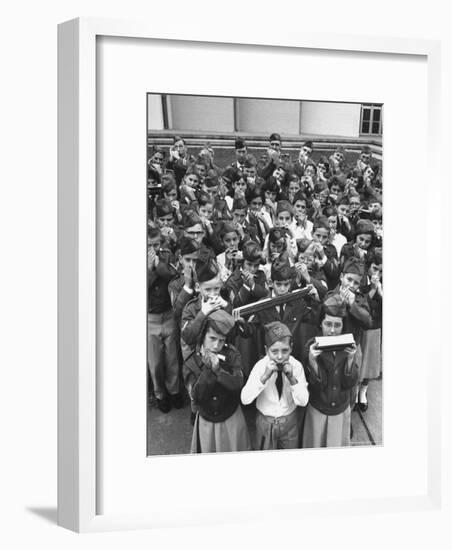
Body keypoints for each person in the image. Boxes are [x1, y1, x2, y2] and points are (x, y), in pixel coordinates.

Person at [184, 309, 251, 452]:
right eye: (212, 338)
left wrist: (218, 371)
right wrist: (208, 371)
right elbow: (197, 397)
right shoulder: (192, 361)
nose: (216, 346)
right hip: (207, 420)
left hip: (231, 416)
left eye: (221, 341)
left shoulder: (232, 355)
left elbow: (238, 383)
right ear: (202, 336)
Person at [241, 321, 309, 450]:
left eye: (285, 351)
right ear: (266, 350)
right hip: (265, 423)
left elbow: (303, 401)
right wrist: (264, 378)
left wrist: (291, 378)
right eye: (274, 351)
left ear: (291, 347)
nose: (279, 357)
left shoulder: (296, 366)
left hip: (289, 422)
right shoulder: (261, 366)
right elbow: (245, 399)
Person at [303, 294, 359, 447]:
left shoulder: (349, 346)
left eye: (337, 325)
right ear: (320, 323)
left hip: (340, 409)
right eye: (328, 324)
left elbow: (350, 383)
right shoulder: (311, 347)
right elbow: (316, 387)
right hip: (319, 409)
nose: (333, 331)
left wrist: (350, 360)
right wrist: (313, 362)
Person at [147, 227, 183, 413]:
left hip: (168, 314)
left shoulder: (166, 256)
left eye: (156, 244)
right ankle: (160, 394)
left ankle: (174, 391)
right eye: (149, 245)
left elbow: (172, 276)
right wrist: (150, 270)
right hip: (149, 318)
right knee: (155, 363)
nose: (153, 249)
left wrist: (157, 265)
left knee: (171, 358)